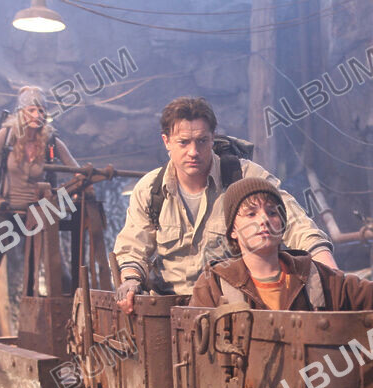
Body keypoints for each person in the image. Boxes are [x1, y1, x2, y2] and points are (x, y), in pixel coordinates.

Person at [113, 96, 337, 313]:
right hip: (171, 311)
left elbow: (295, 222)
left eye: (202, 141)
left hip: (234, 307)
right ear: (167, 141)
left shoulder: (244, 177)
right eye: (183, 142)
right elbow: (133, 246)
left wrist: (330, 274)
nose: (193, 152)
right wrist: (131, 279)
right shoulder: (151, 190)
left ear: (213, 138)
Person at [190, 178, 373, 311]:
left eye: (272, 212)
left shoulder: (312, 275)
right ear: (233, 231)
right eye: (251, 214)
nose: (264, 220)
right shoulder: (215, 285)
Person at [0, 86, 80, 335]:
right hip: (5, 211)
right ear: (20, 112)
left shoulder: (51, 142)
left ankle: (76, 319)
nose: (37, 115)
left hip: (37, 214)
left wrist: (74, 192)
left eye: (42, 111)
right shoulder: (6, 136)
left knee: (58, 269)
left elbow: (78, 173)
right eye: (32, 110)